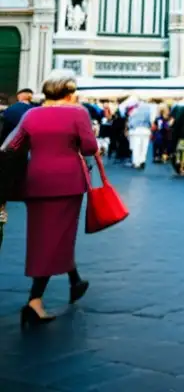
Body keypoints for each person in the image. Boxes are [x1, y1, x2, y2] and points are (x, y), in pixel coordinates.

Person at [5, 70, 98, 326]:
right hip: (67, 183)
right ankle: (34, 301)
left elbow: (11, 146)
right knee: (57, 237)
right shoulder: (78, 113)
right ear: (69, 93)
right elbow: (90, 147)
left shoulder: (31, 114)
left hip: (35, 182)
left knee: (44, 235)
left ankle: (74, 280)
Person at [125, 96, 155, 170]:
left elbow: (130, 122)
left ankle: (136, 162)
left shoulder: (134, 110)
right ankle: (142, 161)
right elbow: (152, 120)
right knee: (144, 147)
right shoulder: (149, 109)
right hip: (146, 130)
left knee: (136, 147)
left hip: (136, 130)